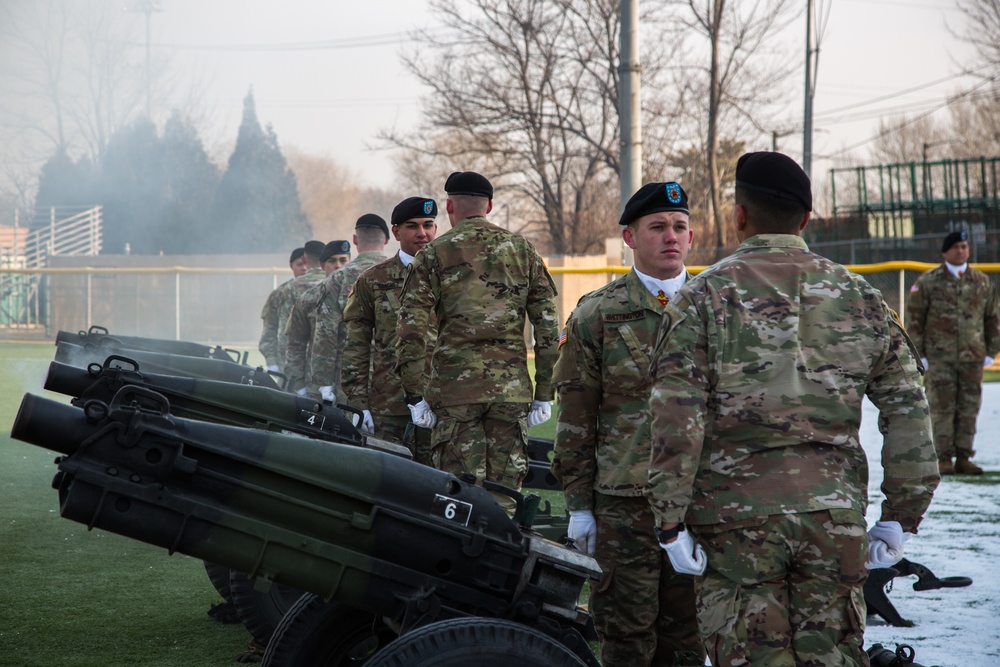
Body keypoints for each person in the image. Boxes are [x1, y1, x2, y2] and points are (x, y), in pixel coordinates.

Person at [645, 151, 940, 666]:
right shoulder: (861, 297)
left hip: (734, 522)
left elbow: (676, 418)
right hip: (832, 519)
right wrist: (901, 517)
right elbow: (909, 410)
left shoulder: (702, 298)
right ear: (805, 219)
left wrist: (669, 521)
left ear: (739, 216)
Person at [550, 182, 702, 667]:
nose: (670, 237)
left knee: (690, 640)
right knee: (625, 638)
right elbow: (576, 418)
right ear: (630, 237)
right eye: (657, 227)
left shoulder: (716, 308)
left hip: (701, 501)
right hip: (623, 507)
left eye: (679, 227)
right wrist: (578, 505)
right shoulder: (599, 313)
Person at [395, 171, 559, 512]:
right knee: (504, 499)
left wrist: (415, 395)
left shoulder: (433, 254)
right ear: (490, 206)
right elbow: (547, 325)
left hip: (455, 393)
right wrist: (544, 392)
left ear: (449, 206)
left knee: (458, 497)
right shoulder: (523, 250)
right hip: (510, 391)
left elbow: (411, 331)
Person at [342, 197, 439, 463]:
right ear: (395, 232)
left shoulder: (454, 277)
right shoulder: (373, 280)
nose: (422, 233)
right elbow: (356, 346)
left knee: (445, 488)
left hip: (443, 404)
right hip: (389, 406)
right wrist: (358, 404)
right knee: (390, 484)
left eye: (428, 225)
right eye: (412, 226)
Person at [905, 229, 1000, 475]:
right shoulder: (928, 282)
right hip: (939, 358)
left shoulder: (981, 281)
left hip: (972, 356)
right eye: (956, 246)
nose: (962, 251)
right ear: (945, 252)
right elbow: (914, 321)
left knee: (968, 408)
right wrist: (920, 355)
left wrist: (991, 350)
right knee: (941, 408)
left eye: (965, 246)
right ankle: (944, 458)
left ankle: (964, 456)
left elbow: (993, 318)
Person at [309, 215, 390, 405]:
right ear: (387, 240)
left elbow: (325, 334)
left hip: (349, 380)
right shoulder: (406, 272)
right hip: (394, 381)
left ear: (355, 240)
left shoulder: (337, 279)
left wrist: (324, 383)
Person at [283, 239, 352, 395]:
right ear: (322, 266)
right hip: (316, 388)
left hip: (351, 386)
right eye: (332, 261)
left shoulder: (360, 295)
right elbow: (295, 345)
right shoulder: (309, 298)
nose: (338, 266)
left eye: (343, 260)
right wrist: (298, 385)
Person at [258, 246, 308, 373]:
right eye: (300, 264)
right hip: (285, 364)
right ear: (291, 266)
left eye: (307, 264)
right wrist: (272, 362)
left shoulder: (323, 290)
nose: (304, 268)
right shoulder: (280, 294)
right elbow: (270, 329)